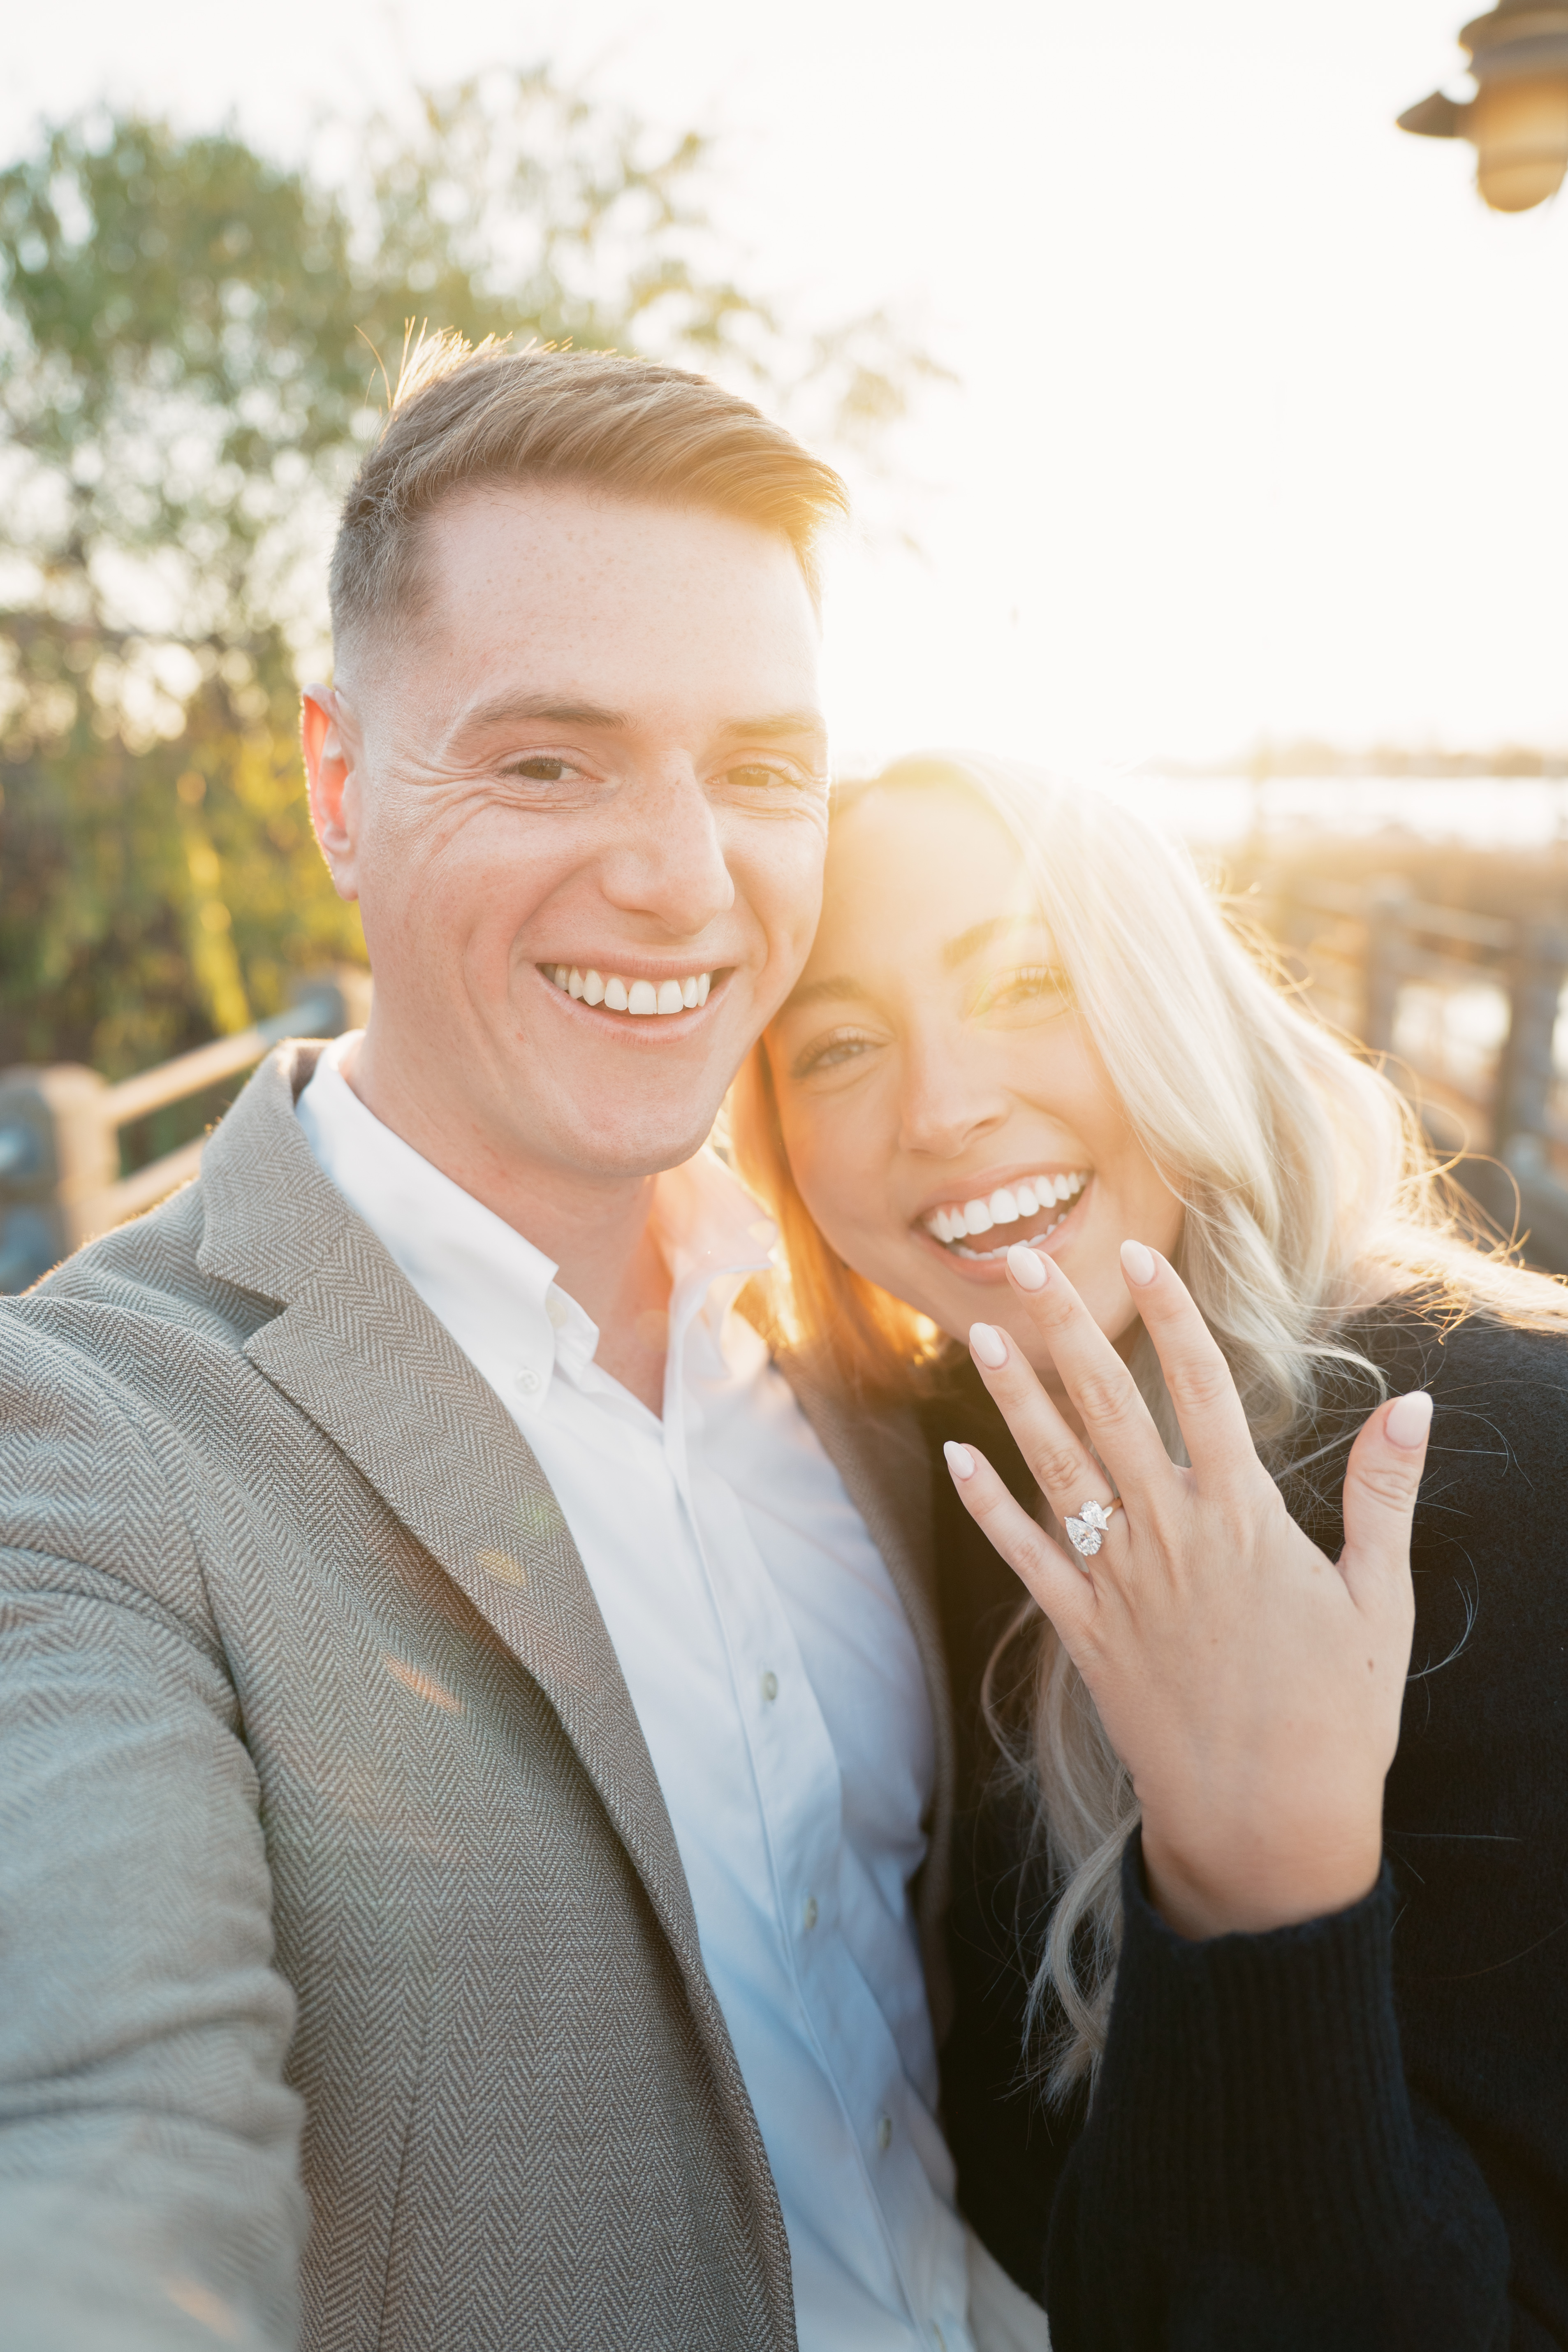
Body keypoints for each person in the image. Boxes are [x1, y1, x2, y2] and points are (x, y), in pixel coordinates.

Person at [0, 347, 1044, 2352]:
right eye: (548, 761)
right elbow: (99, 2146)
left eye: (757, 769)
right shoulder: (89, 1436)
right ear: (336, 785)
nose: (677, 873)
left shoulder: (856, 1351)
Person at [734, 748, 1568, 2348]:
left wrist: (1270, 1885)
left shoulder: (1504, 1473)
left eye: (1030, 978)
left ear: (1171, 997)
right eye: (837, 1042)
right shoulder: (908, 1469)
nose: (946, 1102)